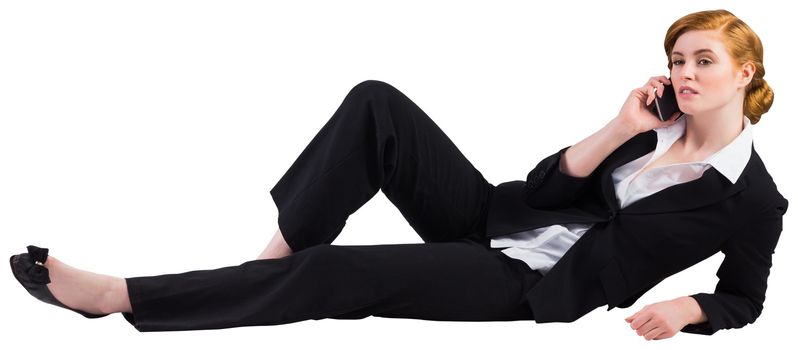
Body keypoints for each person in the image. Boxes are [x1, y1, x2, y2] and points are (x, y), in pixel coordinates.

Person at [10, 9, 787, 340]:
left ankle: (120, 299)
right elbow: (549, 191)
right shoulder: (650, 125)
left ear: (745, 70)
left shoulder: (754, 198)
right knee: (377, 105)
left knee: (340, 275)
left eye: (703, 61)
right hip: (499, 218)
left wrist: (692, 309)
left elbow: (745, 298)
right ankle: (263, 270)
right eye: (676, 59)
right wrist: (621, 125)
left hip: (527, 283)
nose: (683, 73)